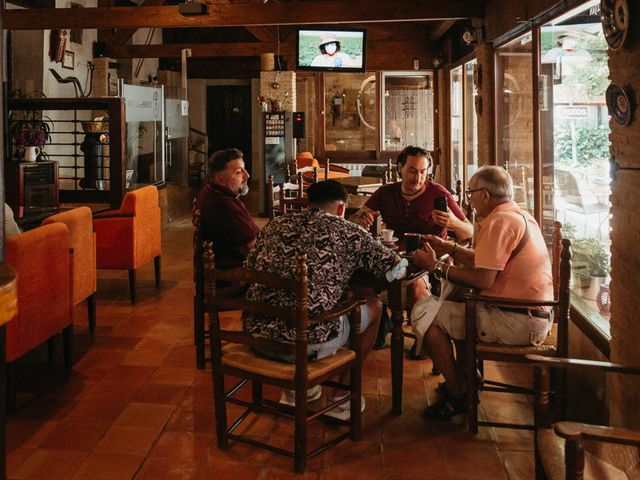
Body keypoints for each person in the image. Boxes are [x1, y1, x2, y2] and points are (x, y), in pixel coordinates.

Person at [243, 180, 407, 419]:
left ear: (310, 202)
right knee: (375, 307)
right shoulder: (350, 232)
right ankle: (341, 400)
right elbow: (395, 267)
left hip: (256, 336)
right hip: (303, 344)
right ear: (341, 209)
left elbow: (249, 267)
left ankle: (293, 391)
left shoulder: (275, 224)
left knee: (311, 302)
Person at [412, 166, 554, 420]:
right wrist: (449, 247)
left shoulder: (499, 222)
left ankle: (459, 394)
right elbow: (484, 261)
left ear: (486, 195)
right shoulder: (517, 214)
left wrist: (435, 267)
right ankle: (466, 378)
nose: (469, 199)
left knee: (425, 314)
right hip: (529, 315)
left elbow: (484, 278)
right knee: (453, 306)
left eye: (472, 193)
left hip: (517, 321)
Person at [350, 145, 473, 353]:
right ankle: (380, 323)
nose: (418, 178)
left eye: (423, 172)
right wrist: (361, 218)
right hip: (392, 257)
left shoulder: (437, 193)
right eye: (413, 171)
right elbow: (356, 219)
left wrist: (453, 222)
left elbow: (469, 232)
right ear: (400, 168)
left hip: (431, 257)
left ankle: (425, 337)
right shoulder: (386, 192)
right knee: (360, 282)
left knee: (416, 288)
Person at [194, 147, 259, 265]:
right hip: (233, 271)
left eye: (244, 169)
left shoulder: (207, 190)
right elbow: (252, 248)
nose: (247, 175)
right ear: (220, 180)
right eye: (238, 172)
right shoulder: (226, 207)